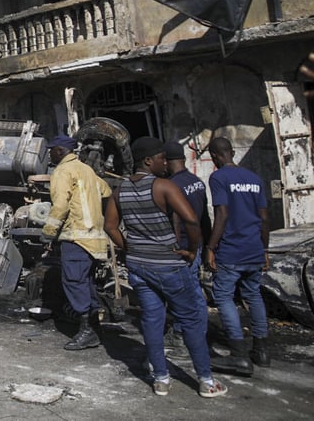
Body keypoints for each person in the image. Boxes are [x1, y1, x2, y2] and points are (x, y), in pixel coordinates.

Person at [105, 137, 227, 397]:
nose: (165, 162)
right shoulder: (164, 187)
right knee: (192, 319)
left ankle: (161, 379)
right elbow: (192, 221)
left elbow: (110, 227)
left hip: (139, 266)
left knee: (152, 320)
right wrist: (192, 250)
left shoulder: (120, 190)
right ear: (148, 161)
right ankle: (206, 381)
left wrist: (130, 248)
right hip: (169, 266)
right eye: (161, 158)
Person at [206, 136, 271, 374]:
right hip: (254, 248)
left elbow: (221, 214)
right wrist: (264, 249)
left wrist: (210, 247)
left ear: (214, 156)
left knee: (223, 296)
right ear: (232, 152)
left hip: (231, 250)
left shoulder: (218, 177)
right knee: (253, 295)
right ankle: (262, 351)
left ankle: (239, 354)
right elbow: (264, 218)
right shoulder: (254, 179)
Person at [41, 134, 112, 350]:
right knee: (85, 282)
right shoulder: (86, 169)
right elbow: (107, 191)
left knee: (73, 281)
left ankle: (88, 330)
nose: (49, 153)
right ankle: (94, 328)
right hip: (93, 237)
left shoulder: (63, 171)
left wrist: (49, 231)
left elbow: (61, 205)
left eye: (52, 149)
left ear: (61, 151)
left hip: (76, 236)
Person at [163, 140, 211, 349]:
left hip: (182, 245)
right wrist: (208, 245)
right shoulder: (196, 181)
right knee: (194, 289)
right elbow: (205, 217)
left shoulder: (172, 186)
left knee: (184, 292)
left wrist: (174, 246)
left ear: (165, 161)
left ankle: (184, 333)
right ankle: (199, 330)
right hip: (197, 243)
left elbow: (175, 219)